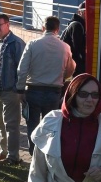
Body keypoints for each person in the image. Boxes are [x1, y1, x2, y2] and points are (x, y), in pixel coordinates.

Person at [17, 15, 75, 155]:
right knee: (50, 126)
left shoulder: (32, 44)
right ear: (58, 29)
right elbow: (70, 69)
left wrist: (20, 89)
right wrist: (61, 77)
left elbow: (22, 69)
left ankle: (33, 153)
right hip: (54, 92)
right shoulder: (65, 47)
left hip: (33, 91)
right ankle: (47, 154)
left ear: (43, 28)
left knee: (32, 124)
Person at [0, 13, 26, 165]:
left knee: (11, 125)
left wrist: (19, 89)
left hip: (10, 92)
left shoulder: (16, 43)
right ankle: (4, 152)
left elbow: (22, 69)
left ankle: (13, 156)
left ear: (8, 25)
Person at [61, 2, 87, 76]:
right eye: (85, 12)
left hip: (68, 61)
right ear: (79, 12)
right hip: (72, 63)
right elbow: (77, 48)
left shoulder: (78, 24)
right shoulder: (77, 25)